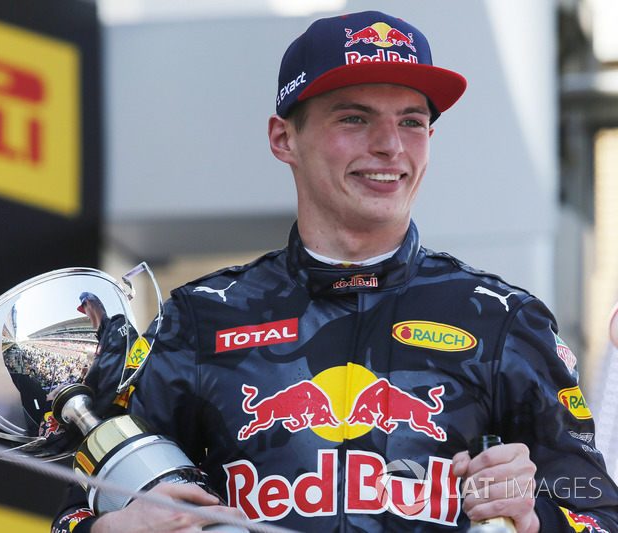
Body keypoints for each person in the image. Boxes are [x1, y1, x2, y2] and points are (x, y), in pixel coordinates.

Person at [52, 10, 618, 533]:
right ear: (283, 138)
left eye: (412, 122)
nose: (390, 146)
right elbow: (74, 508)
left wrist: (536, 513)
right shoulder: (198, 319)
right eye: (355, 118)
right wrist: (108, 527)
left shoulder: (502, 319)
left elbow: (600, 515)